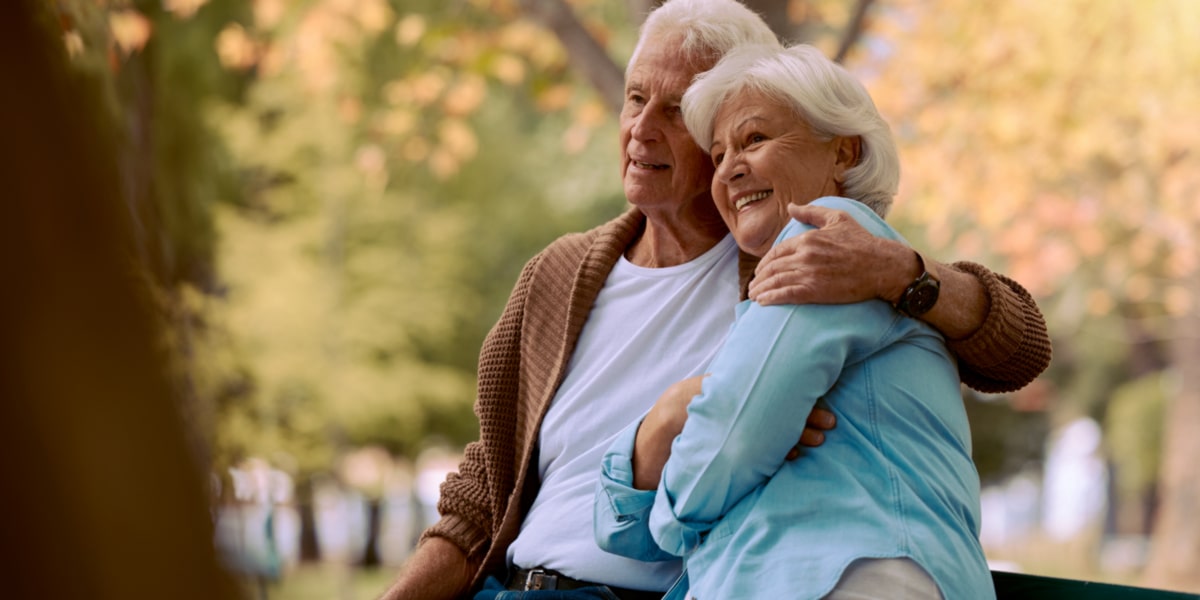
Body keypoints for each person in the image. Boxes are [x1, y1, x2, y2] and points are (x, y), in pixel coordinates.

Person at [381, 0, 1050, 598]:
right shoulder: (560, 274)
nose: (642, 129)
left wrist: (905, 272)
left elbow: (1019, 348)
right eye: (634, 98)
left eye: (675, 111)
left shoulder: (806, 256)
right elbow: (483, 490)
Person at [596, 42, 994, 600]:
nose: (731, 168)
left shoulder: (829, 240)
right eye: (717, 155)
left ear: (844, 153)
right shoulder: (810, 276)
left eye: (754, 139)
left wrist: (665, 519)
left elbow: (730, 439)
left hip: (856, 579)